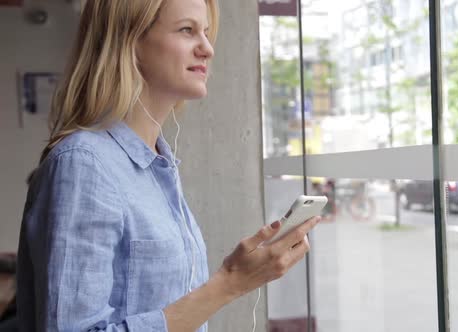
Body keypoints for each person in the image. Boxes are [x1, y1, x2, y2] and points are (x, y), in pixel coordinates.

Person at [16, 0, 320, 331]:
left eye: (205, 32)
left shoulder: (158, 166)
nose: (207, 48)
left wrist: (237, 276)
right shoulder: (84, 165)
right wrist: (230, 283)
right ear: (130, 42)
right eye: (187, 30)